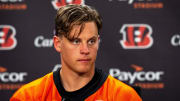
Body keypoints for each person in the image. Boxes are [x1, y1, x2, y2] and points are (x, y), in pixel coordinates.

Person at [10, 4, 142, 101]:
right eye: (76, 41)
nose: (85, 50)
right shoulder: (28, 97)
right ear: (58, 44)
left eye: (91, 41)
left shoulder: (124, 96)